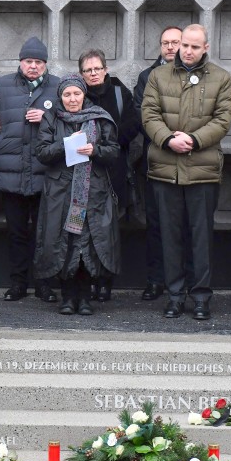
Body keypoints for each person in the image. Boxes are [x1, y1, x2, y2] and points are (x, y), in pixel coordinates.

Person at [142, 24, 231, 320]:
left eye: (195, 46)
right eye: (185, 45)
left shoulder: (221, 78)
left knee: (200, 236)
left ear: (206, 47)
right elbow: (149, 113)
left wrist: (193, 140)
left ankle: (200, 297)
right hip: (165, 169)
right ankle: (174, 296)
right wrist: (169, 139)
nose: (188, 51)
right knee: (170, 237)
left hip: (203, 171)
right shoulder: (158, 76)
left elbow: (223, 119)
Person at [35, 74, 120, 316]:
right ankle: (67, 297)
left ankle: (84, 298)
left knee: (87, 245)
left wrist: (95, 150)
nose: (72, 99)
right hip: (62, 194)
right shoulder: (52, 117)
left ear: (84, 94)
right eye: (67, 94)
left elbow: (114, 152)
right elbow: (41, 152)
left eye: (77, 94)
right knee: (66, 243)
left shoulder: (99, 117)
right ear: (60, 97)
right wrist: (65, 144)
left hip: (91, 193)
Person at [0, 37, 60, 303]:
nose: (33, 66)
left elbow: (71, 119)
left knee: (45, 233)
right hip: (11, 171)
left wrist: (47, 117)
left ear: (45, 64)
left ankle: (44, 284)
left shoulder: (58, 86)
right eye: (29, 61)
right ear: (20, 62)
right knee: (16, 232)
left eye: (38, 62)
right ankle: (17, 283)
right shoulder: (2, 85)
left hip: (46, 173)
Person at [79, 48, 140, 302]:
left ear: (105, 70)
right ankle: (88, 280)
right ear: (81, 74)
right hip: (82, 173)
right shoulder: (76, 95)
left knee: (108, 230)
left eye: (97, 68)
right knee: (84, 230)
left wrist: (106, 145)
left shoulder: (119, 92)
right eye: (88, 70)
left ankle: (106, 282)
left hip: (112, 173)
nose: (93, 73)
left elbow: (133, 124)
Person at [133, 26, 185, 302]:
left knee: (185, 224)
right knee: (155, 224)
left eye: (175, 42)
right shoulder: (147, 76)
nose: (170, 47)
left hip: (190, 160)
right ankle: (155, 280)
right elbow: (143, 115)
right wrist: (167, 138)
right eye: (165, 42)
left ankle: (184, 281)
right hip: (155, 161)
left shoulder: (197, 75)